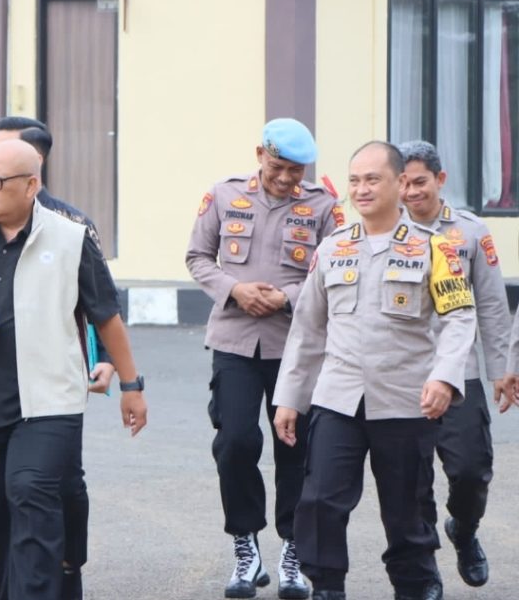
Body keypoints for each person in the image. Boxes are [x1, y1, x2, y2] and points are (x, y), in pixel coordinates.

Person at [0, 139, 147, 600]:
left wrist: (131, 384)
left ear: (31, 186)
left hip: (49, 401)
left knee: (30, 492)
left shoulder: (71, 238)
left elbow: (106, 315)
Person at [273, 141, 478, 600]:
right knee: (320, 499)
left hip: (405, 399)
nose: (361, 189)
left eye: (372, 179)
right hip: (338, 397)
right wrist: (289, 398)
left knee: (407, 509)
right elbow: (307, 330)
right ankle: (327, 587)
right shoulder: (333, 248)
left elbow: (459, 319)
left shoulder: (436, 248)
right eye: (354, 180)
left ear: (400, 183)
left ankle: (416, 585)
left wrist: (444, 376)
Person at [186, 118, 340, 599]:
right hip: (234, 341)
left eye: (296, 171)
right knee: (234, 442)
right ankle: (245, 546)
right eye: (278, 167)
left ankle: (293, 550)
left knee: (296, 450)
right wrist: (235, 290)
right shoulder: (224, 195)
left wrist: (287, 297)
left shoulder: (323, 206)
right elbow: (197, 257)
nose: (286, 178)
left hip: (296, 346)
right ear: (260, 155)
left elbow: (337, 271)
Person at [0, 116, 113, 600]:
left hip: (56, 380)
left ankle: (68, 567)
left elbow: (101, 303)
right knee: (12, 490)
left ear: (34, 163)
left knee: (65, 484)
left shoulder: (72, 225)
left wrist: (105, 359)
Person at [398, 140, 518, 587]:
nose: (411, 192)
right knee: (411, 481)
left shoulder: (470, 232)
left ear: (440, 179)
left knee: (471, 470)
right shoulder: (383, 231)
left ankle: (463, 529)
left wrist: (502, 369)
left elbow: (492, 304)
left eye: (420, 182)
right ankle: (424, 571)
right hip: (401, 376)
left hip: (459, 376)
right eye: (403, 183)